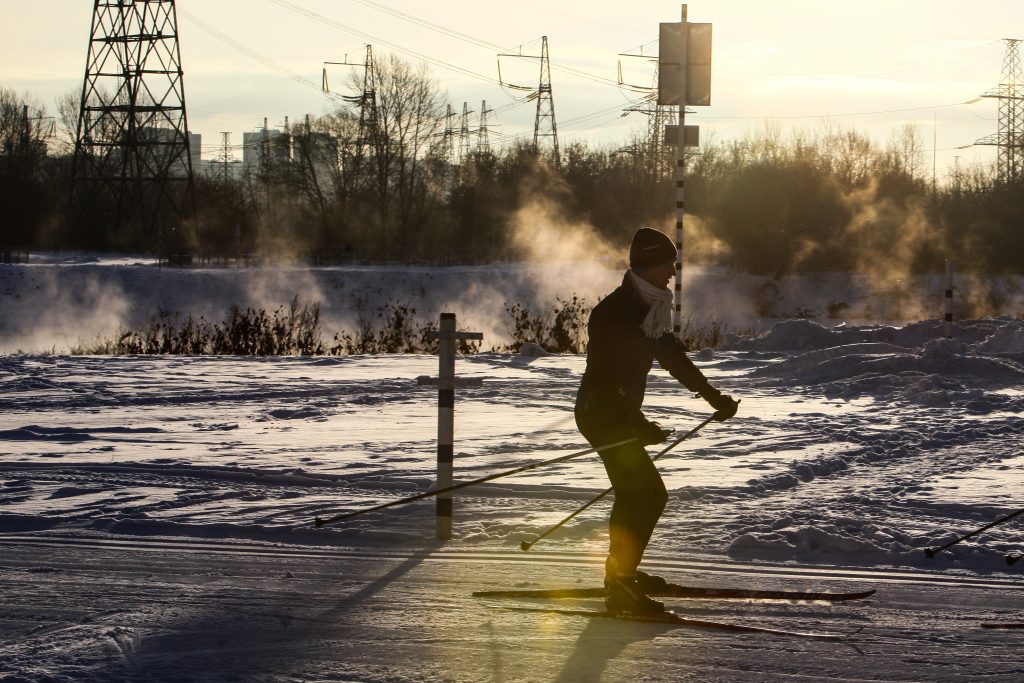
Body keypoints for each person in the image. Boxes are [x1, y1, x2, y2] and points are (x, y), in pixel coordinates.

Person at [574, 226, 738, 615]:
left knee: (636, 494)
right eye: (668, 265)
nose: (673, 273)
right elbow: (602, 377)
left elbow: (673, 358)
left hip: (620, 416)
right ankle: (620, 584)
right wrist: (635, 421)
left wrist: (714, 398)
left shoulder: (650, 310)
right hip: (601, 414)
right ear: (648, 265)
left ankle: (620, 576)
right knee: (646, 494)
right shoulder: (612, 313)